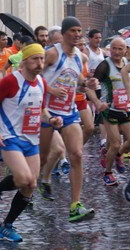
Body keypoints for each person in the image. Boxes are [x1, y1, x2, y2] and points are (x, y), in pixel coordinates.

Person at [0, 43, 62, 242]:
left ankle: (6, 226)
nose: (39, 63)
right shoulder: (11, 81)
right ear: (25, 60)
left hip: (31, 140)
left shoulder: (42, 83)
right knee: (22, 178)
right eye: (35, 59)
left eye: (42, 59)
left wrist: (51, 119)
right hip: (9, 137)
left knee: (30, 185)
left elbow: (41, 109)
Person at [39, 16, 96, 222]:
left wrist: (87, 83)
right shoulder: (52, 54)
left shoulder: (80, 56)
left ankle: (75, 205)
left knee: (77, 155)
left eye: (79, 31)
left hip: (69, 112)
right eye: (73, 31)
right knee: (43, 158)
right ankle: (27, 186)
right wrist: (51, 89)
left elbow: (76, 80)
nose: (77, 35)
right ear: (63, 33)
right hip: (47, 112)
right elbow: (32, 75)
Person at [87, 38, 130, 185]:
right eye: (114, 49)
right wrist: (97, 102)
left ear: (125, 50)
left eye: (120, 49)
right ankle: (108, 173)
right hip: (110, 110)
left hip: (126, 109)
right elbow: (91, 87)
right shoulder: (104, 66)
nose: (116, 52)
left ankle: (117, 155)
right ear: (110, 50)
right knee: (115, 143)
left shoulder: (129, 65)